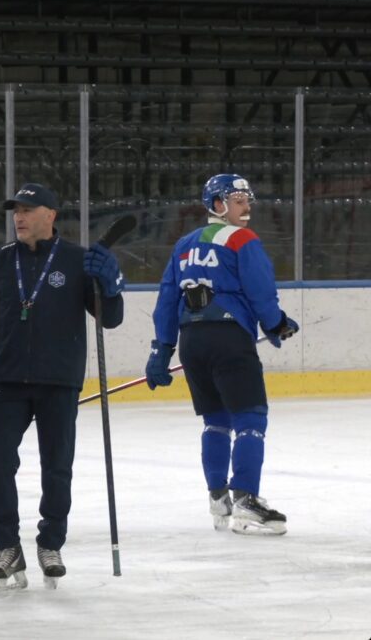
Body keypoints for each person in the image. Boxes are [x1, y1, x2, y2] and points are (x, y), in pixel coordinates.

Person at [0, 182, 125, 593]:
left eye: (27, 209)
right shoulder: (0, 262)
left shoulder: (76, 261)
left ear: (50, 215)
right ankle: (6, 548)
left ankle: (50, 543)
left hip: (59, 381)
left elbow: (111, 320)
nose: (18, 217)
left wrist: (110, 285)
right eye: (15, 210)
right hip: (6, 381)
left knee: (58, 468)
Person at [146, 173, 297, 536]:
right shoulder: (242, 239)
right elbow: (261, 292)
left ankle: (219, 497)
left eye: (248, 200)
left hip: (192, 341)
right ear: (217, 205)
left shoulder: (183, 244)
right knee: (251, 419)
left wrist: (161, 350)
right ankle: (246, 499)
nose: (247, 206)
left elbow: (168, 300)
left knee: (215, 422)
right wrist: (276, 325)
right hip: (230, 339)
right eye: (238, 199)